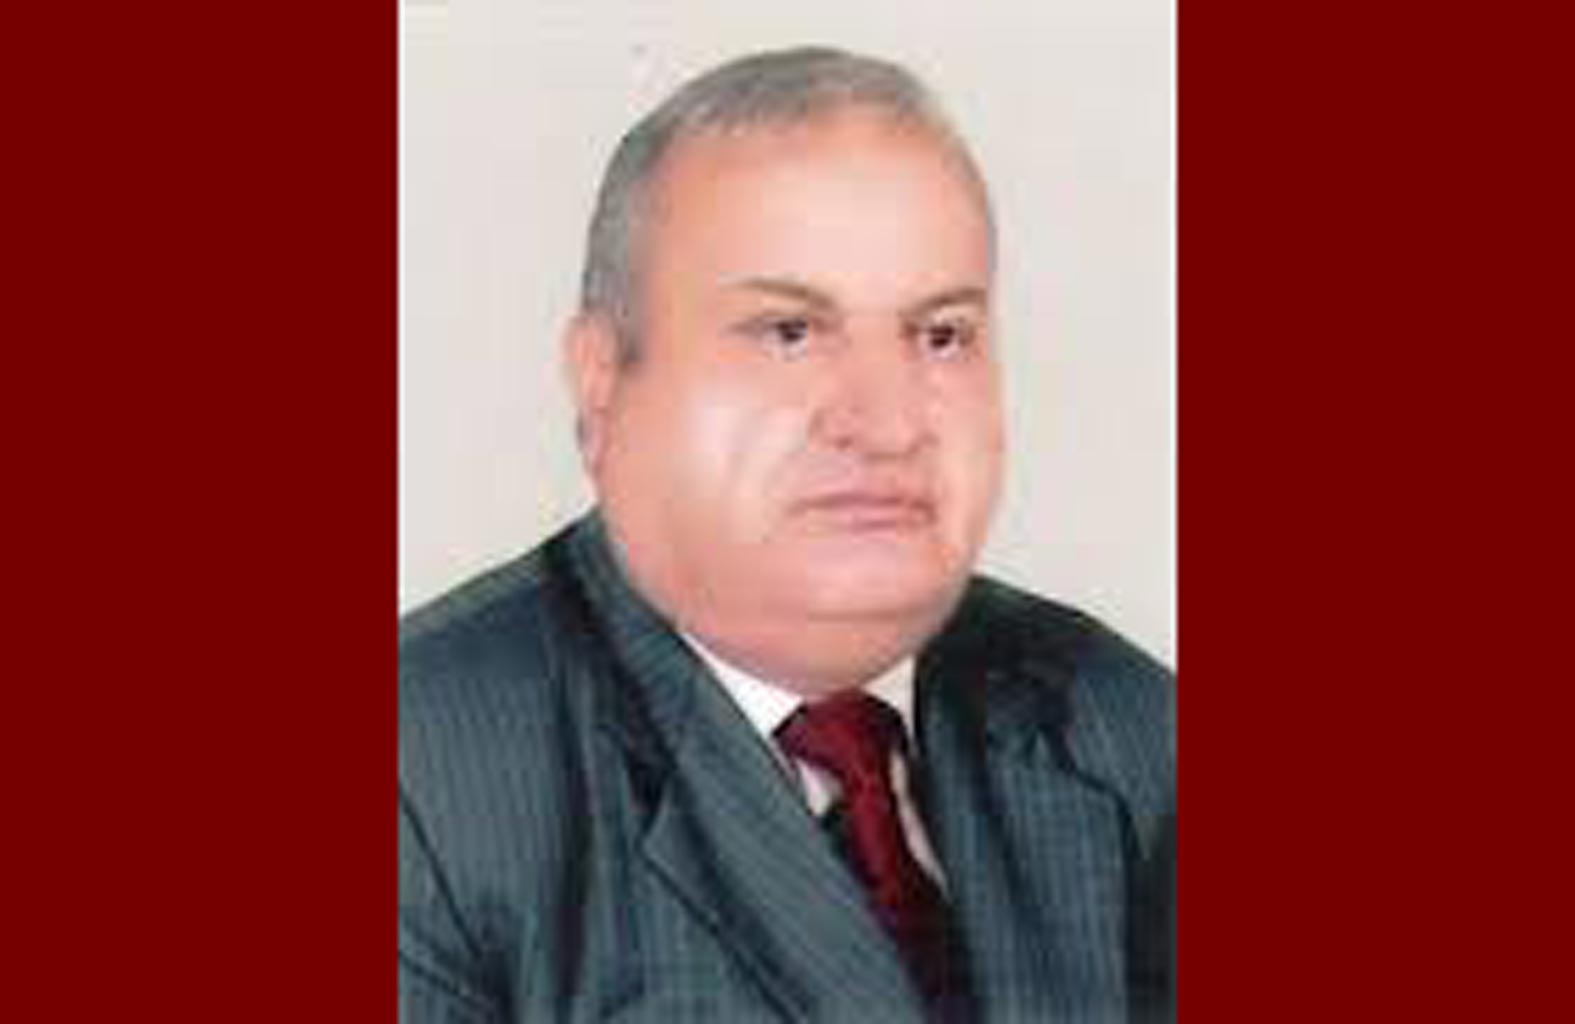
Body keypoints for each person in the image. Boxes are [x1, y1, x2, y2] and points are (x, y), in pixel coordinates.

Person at [399, 47, 1173, 1023]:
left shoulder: (1126, 727)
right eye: (788, 332)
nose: (887, 422)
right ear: (602, 385)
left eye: (940, 335)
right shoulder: (422, 781)